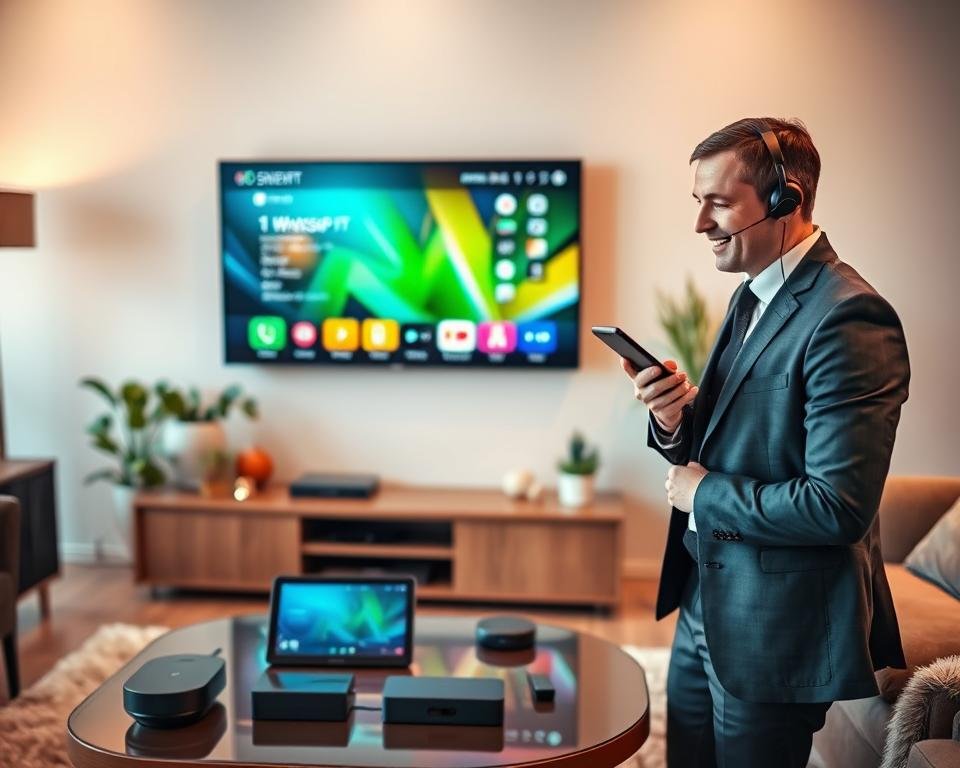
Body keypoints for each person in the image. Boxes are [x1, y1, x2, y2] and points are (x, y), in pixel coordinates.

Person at [622, 117, 910, 768]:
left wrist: (704, 492)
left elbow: (838, 506)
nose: (700, 224)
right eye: (698, 202)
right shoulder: (752, 296)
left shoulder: (850, 318)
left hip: (772, 623)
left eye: (718, 203)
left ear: (786, 202)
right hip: (705, 595)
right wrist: (674, 420)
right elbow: (737, 439)